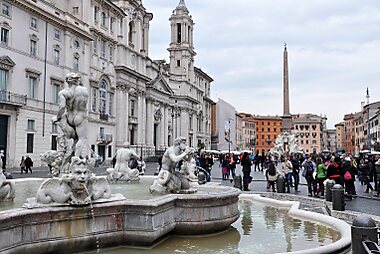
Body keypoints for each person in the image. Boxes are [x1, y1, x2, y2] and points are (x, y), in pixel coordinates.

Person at [52, 73, 90, 158]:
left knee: (75, 139)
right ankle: (76, 159)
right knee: (81, 139)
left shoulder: (64, 92)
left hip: (69, 117)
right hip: (80, 116)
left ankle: (70, 156)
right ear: (77, 81)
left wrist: (58, 118)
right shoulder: (84, 91)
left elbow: (62, 107)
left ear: (67, 81)